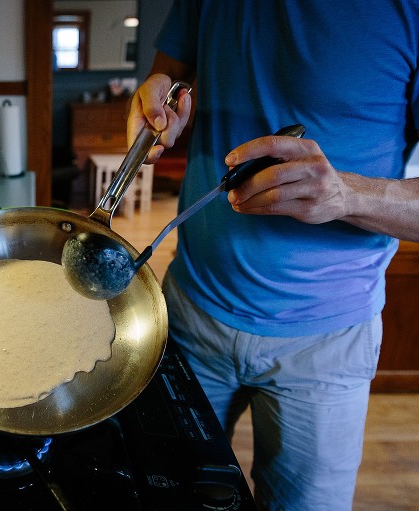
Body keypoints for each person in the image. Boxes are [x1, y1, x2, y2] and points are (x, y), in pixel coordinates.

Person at [127, 2, 419, 510]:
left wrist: (346, 196)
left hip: (325, 346)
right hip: (189, 316)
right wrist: (158, 93)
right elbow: (168, 73)